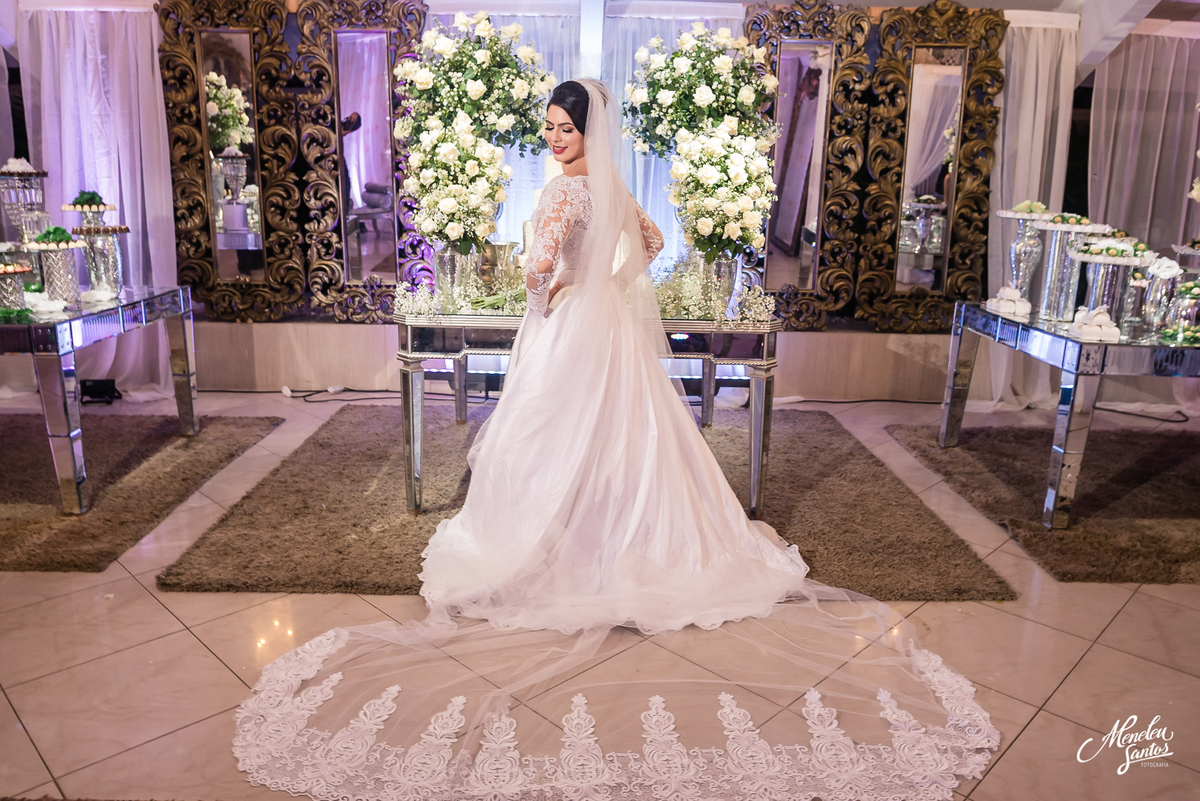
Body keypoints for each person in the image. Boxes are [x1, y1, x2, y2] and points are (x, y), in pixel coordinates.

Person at [233, 79, 998, 800]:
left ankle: (570, 545)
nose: (555, 139)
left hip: (571, 330)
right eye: (552, 129)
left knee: (563, 436)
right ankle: (619, 535)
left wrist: (553, 283)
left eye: (566, 129)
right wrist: (607, 281)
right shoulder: (615, 188)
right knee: (627, 435)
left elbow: (535, 269)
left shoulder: (564, 191)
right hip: (611, 330)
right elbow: (654, 244)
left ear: (586, 130)